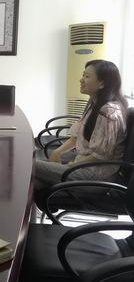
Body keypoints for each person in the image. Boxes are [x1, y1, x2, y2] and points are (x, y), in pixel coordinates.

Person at [35, 59, 128, 191]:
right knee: (33, 167)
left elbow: (101, 156)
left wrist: (70, 166)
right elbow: (77, 137)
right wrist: (58, 151)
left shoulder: (108, 112)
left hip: (96, 175)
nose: (81, 80)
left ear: (102, 83)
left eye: (87, 76)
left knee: (30, 165)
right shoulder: (95, 103)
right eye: (83, 75)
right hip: (84, 161)